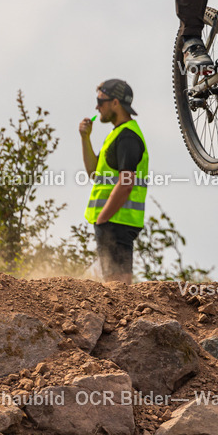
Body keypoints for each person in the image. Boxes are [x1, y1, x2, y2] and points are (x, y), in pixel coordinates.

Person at [79, 79, 148, 284]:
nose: (97, 106)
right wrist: (85, 138)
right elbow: (94, 172)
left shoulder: (127, 137)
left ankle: (125, 317)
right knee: (113, 284)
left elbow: (126, 184)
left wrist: (103, 219)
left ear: (115, 103)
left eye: (100, 101)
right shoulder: (117, 135)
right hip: (112, 220)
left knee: (118, 286)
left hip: (116, 220)